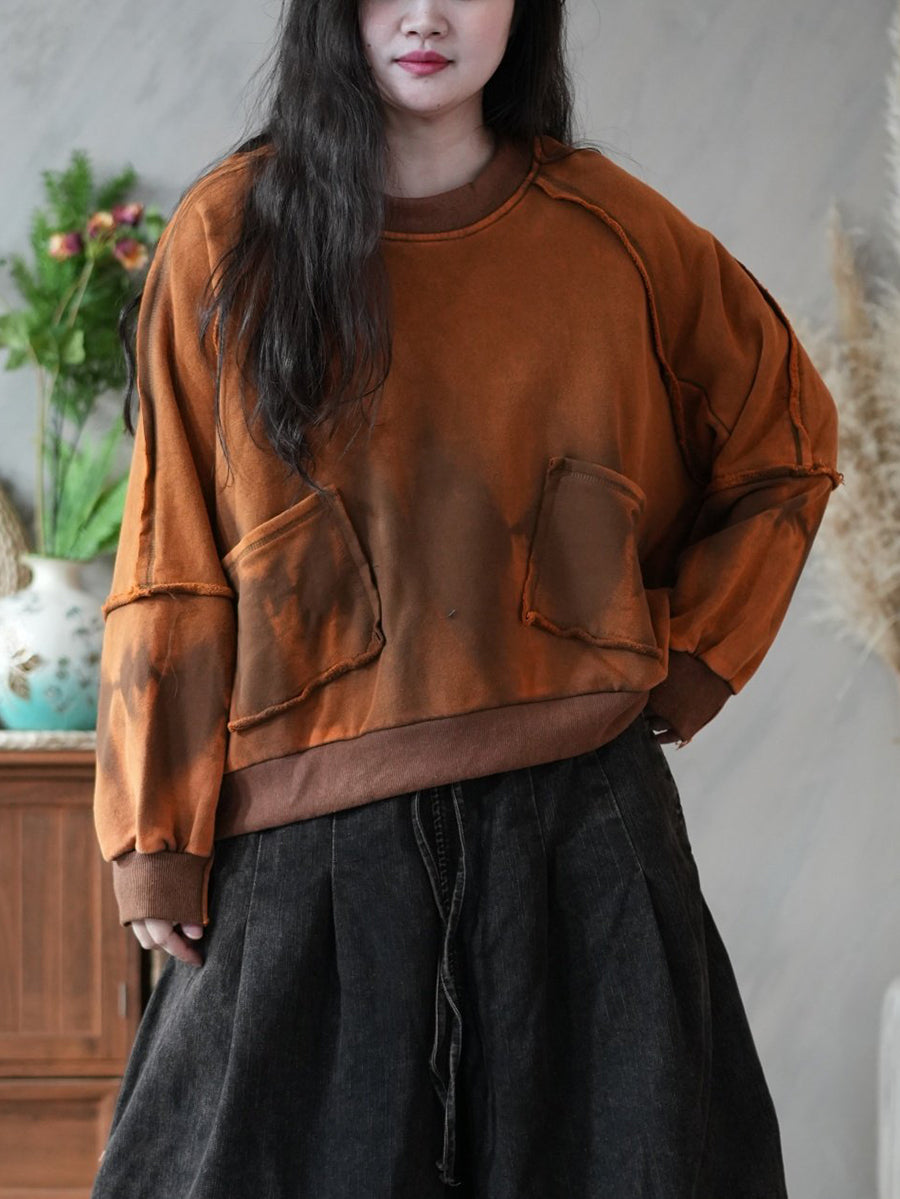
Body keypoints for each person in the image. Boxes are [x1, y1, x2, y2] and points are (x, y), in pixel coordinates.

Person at [90, 0, 843, 1194]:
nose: (428, 13)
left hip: (584, 841)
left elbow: (785, 437)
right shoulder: (229, 236)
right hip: (302, 858)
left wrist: (693, 658)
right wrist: (155, 837)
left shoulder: (615, 232)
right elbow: (168, 546)